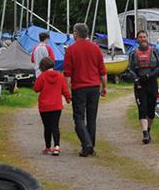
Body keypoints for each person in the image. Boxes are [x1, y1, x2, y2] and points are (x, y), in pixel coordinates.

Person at [63, 22, 107, 157]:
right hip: (94, 87)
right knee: (92, 118)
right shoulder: (96, 48)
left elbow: (68, 73)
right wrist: (104, 87)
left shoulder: (71, 50)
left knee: (79, 118)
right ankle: (91, 146)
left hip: (79, 87)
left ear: (75, 34)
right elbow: (102, 71)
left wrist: (67, 90)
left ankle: (86, 144)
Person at [127, 30, 159, 144]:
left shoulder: (154, 51)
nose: (142, 39)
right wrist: (136, 79)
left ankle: (148, 130)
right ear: (137, 39)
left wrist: (149, 75)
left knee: (151, 110)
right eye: (140, 37)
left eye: (144, 37)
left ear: (147, 38)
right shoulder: (133, 53)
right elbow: (130, 69)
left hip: (152, 82)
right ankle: (145, 134)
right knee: (142, 108)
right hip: (140, 84)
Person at [33, 57, 71, 156]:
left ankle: (48, 147)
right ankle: (57, 146)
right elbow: (65, 89)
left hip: (44, 106)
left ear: (42, 67)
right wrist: (68, 98)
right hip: (56, 105)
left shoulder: (42, 77)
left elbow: (36, 89)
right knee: (55, 126)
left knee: (47, 127)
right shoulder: (60, 76)